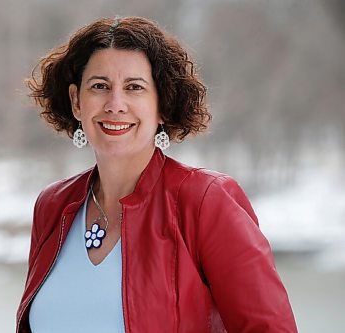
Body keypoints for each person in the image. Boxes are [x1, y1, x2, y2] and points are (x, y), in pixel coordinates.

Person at [16, 16, 297, 333]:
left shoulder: (205, 200)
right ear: (76, 102)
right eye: (99, 86)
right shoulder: (53, 206)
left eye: (134, 87)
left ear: (162, 104)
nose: (115, 104)